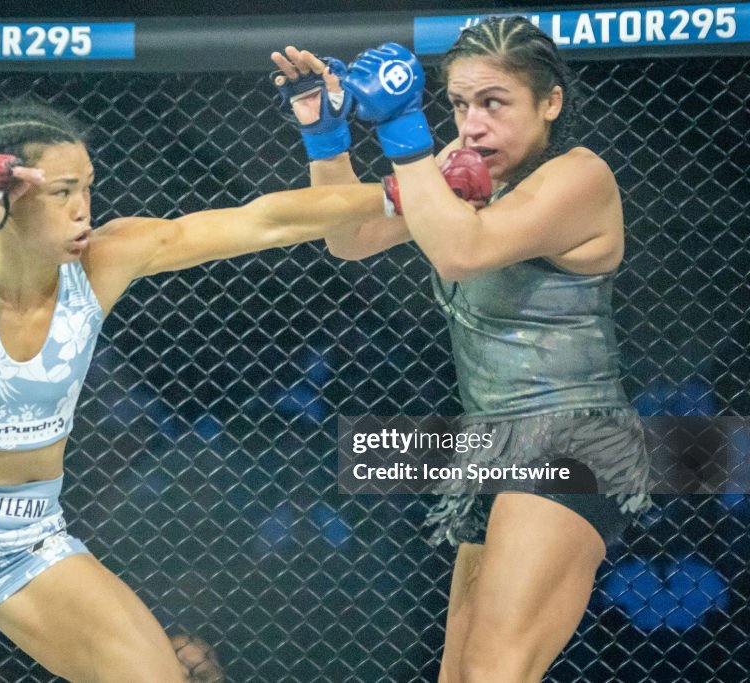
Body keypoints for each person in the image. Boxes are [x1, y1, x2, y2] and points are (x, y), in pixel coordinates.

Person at [0, 101, 384, 683]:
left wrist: (397, 190)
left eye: (87, 186)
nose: (84, 207)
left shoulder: (104, 261)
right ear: (3, 199)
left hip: (24, 538)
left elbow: (264, 221)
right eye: (62, 192)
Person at [272, 16, 649, 682]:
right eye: (458, 104)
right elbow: (350, 238)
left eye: (494, 103)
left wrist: (404, 132)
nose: (472, 125)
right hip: (493, 447)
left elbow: (461, 249)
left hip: (576, 442)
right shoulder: (457, 164)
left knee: (493, 672)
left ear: (550, 102)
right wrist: (325, 132)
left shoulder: (581, 177)